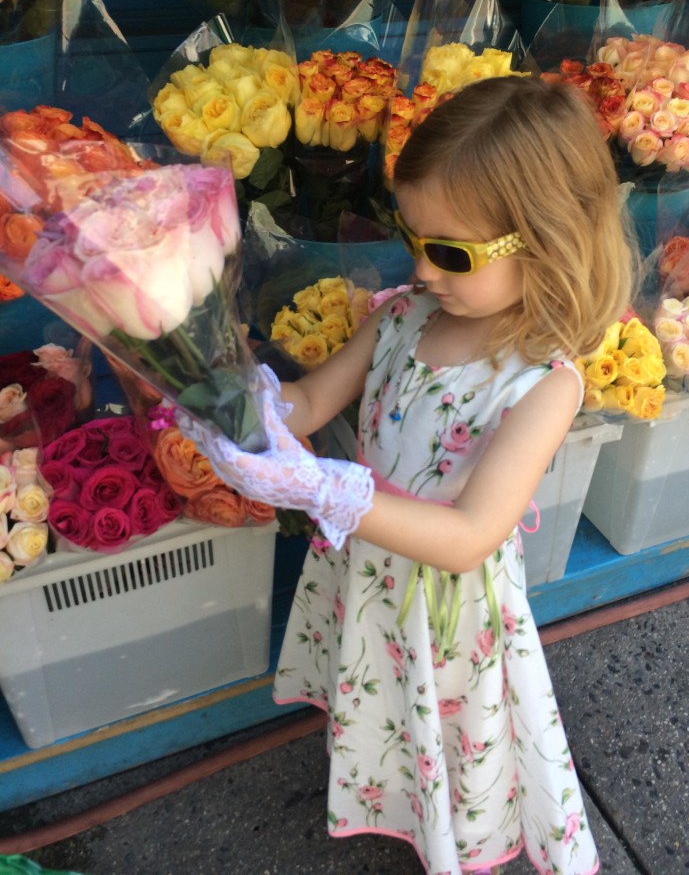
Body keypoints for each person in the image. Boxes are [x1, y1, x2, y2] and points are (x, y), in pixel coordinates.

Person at [179, 74, 635, 875]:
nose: (423, 269)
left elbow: (468, 537)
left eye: (451, 252)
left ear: (548, 241)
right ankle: (388, 787)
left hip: (443, 603)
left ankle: (449, 835)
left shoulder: (543, 382)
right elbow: (316, 396)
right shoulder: (401, 314)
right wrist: (245, 405)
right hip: (368, 566)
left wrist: (325, 490)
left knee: (447, 726)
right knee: (382, 697)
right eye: (411, 235)